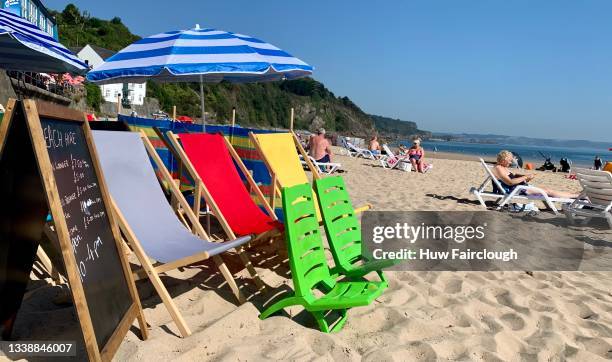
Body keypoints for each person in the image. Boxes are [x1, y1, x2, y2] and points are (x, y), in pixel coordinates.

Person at [492, 150, 578, 199]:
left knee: (546, 190)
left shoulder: (500, 167)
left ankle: (573, 194)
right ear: (504, 160)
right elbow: (510, 182)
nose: (511, 162)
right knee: (548, 192)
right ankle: (575, 196)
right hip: (516, 190)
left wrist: (525, 176)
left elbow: (513, 174)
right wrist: (525, 177)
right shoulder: (499, 168)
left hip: (518, 188)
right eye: (510, 160)